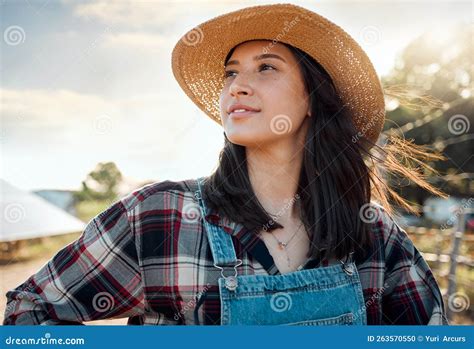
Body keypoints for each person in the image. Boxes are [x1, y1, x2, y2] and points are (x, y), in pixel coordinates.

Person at [4, 3, 448, 325]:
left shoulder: (374, 236)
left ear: (313, 98)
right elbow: (30, 311)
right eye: (230, 73)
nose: (236, 87)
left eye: (266, 68)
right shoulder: (159, 216)